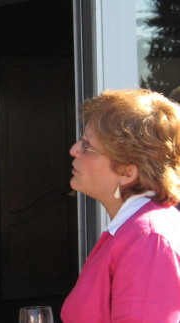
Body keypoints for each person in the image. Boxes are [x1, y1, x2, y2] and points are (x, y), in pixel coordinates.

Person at [61, 89, 180, 323]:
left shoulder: (147, 238)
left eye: (87, 145)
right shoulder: (137, 229)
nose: (74, 149)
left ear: (127, 172)